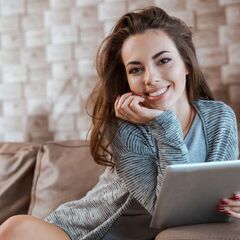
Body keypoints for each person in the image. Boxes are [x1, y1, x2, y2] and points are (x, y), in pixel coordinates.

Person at [0, 6, 239, 240]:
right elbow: (163, 212)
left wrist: (233, 205)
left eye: (163, 60)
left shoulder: (219, 118)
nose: (150, 78)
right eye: (136, 69)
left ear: (186, 64)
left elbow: (206, 204)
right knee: (16, 227)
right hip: (80, 234)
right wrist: (164, 123)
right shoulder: (125, 128)